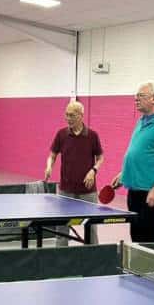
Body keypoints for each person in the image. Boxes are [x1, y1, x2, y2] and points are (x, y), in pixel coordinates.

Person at [111, 80, 154, 243]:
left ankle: (152, 268)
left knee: (149, 238)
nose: (136, 99)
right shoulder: (142, 120)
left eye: (141, 96)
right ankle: (137, 268)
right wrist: (124, 174)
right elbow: (140, 152)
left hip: (149, 191)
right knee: (136, 235)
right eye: (136, 96)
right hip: (134, 189)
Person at [44, 100, 104, 246]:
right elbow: (52, 154)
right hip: (66, 189)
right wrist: (49, 166)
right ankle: (60, 257)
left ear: (81, 116)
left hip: (87, 191)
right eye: (66, 115)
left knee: (91, 229)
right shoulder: (61, 134)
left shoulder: (92, 135)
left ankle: (93, 256)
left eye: (71, 115)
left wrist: (93, 170)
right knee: (62, 229)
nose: (68, 118)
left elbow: (100, 157)